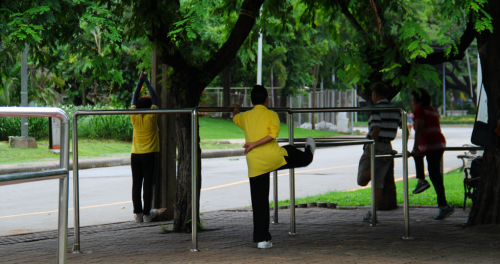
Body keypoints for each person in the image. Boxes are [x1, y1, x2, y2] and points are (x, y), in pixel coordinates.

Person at [231, 85, 315, 249]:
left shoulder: (246, 116)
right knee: (291, 151)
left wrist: (235, 109)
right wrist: (256, 143)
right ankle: (309, 153)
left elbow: (235, 117)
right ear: (267, 100)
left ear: (252, 101)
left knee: (259, 201)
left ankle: (262, 239)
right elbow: (272, 135)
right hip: (273, 158)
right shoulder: (271, 114)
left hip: (254, 163)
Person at [357, 83, 402, 222]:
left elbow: (375, 128)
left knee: (362, 180)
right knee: (378, 183)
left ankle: (376, 162)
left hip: (375, 145)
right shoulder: (396, 110)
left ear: (375, 94)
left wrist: (371, 146)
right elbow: (404, 126)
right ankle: (373, 214)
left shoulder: (375, 109)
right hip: (388, 147)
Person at [410, 88, 454, 220]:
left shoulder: (419, 110)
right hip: (438, 143)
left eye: (413, 100)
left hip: (430, 145)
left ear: (419, 101)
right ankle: (443, 205)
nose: (411, 103)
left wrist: (415, 147)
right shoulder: (432, 109)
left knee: (419, 158)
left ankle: (422, 181)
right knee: (435, 175)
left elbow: (418, 130)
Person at [130, 71, 159, 223]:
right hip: (149, 154)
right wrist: (147, 81)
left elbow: (134, 98)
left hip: (135, 154)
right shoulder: (152, 117)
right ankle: (147, 214)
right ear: (150, 107)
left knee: (136, 184)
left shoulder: (134, 116)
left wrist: (140, 81)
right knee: (148, 184)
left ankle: (138, 214)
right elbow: (155, 97)